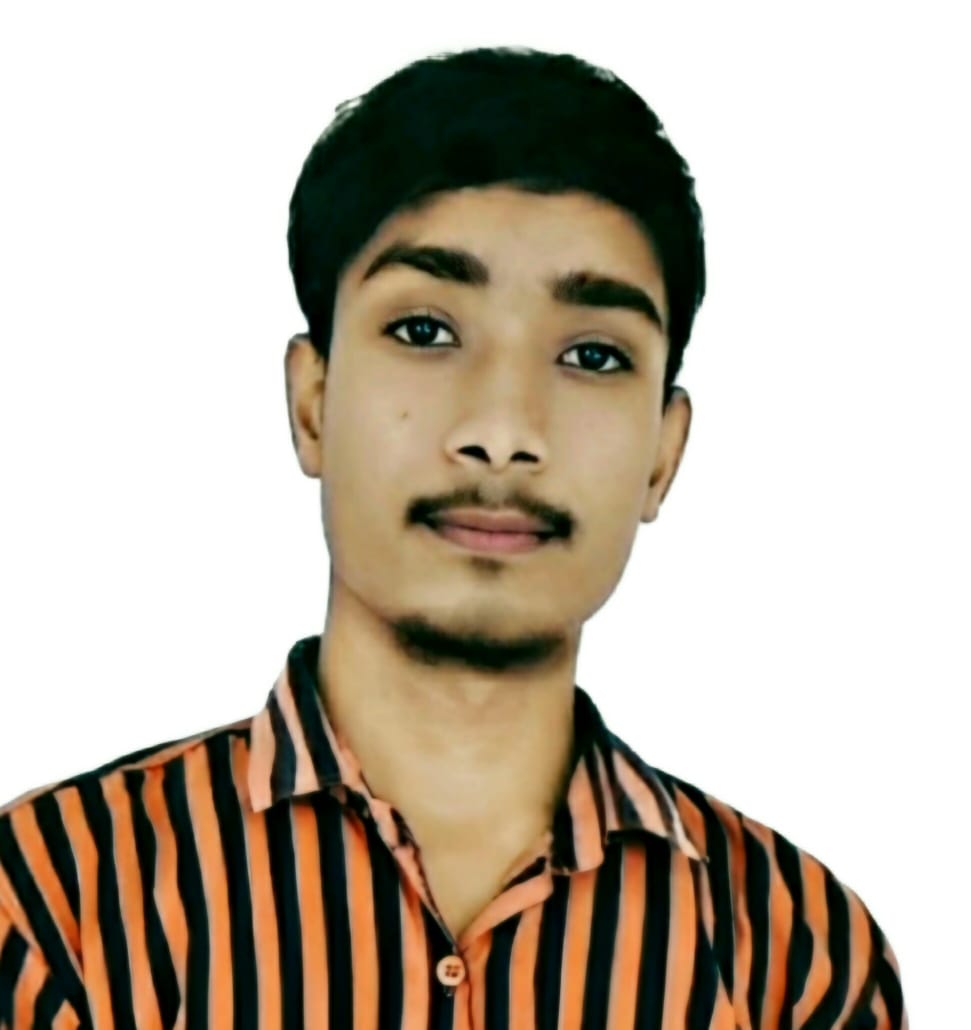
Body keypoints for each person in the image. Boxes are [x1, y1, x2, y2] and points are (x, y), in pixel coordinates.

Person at [0, 45, 907, 1029]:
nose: (502, 430)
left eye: (592, 353)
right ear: (311, 402)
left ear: (663, 451)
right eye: (425, 331)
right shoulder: (54, 904)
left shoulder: (795, 960)